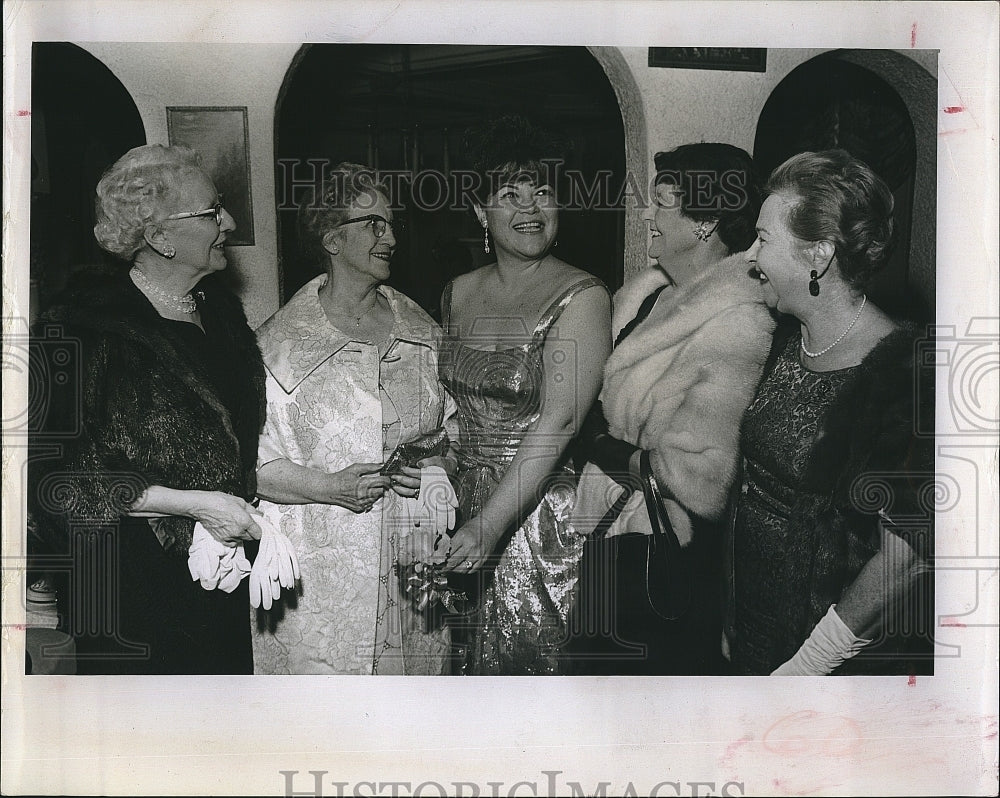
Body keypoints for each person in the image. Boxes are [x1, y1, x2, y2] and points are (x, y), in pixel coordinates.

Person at [27, 144, 265, 674]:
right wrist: (193, 504)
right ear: (159, 238)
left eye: (220, 206)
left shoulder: (222, 316)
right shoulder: (79, 328)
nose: (228, 221)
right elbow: (55, 479)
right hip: (122, 585)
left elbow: (235, 449)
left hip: (215, 573)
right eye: (209, 213)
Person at [567, 143, 776, 674]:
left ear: (705, 221)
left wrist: (598, 444)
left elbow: (699, 473)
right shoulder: (647, 297)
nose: (650, 216)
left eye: (663, 202)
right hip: (611, 533)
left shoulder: (740, 321)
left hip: (665, 555)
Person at [729, 149, 934, 675]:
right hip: (754, 628)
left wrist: (805, 669)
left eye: (764, 239)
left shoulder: (907, 373)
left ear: (817, 254)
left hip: (827, 662)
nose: (750, 256)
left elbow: (905, 557)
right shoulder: (785, 338)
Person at [251, 163, 455, 675]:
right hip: (321, 575)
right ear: (332, 239)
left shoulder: (424, 331)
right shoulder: (277, 345)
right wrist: (327, 486)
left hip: (413, 560)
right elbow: (251, 462)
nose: (389, 237)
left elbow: (454, 429)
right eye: (372, 224)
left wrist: (437, 469)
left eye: (390, 225)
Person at [434, 115, 612, 675]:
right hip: (456, 506)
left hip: (537, 521)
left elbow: (558, 424)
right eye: (510, 195)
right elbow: (450, 407)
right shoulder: (457, 292)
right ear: (479, 212)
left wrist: (489, 525)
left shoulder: (582, 296)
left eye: (543, 193)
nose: (531, 208)